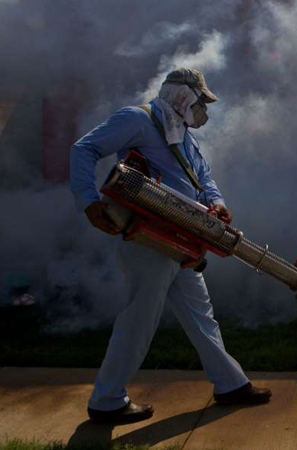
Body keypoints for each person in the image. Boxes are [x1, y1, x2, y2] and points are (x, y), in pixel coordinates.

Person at [69, 68, 271, 424]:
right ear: (183, 96)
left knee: (200, 316)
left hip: (180, 240)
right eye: (200, 101)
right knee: (138, 320)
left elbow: (202, 178)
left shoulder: (184, 137)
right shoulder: (138, 119)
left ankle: (230, 383)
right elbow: (84, 148)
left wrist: (216, 200)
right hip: (149, 238)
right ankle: (107, 400)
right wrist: (88, 200)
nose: (203, 110)